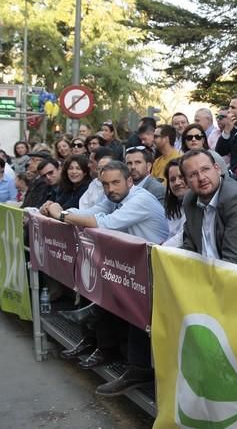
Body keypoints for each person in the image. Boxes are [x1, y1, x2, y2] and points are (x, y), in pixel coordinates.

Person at [43, 160, 168, 396]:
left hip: (159, 271)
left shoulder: (140, 199)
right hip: (137, 268)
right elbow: (91, 213)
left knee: (126, 300)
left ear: (130, 181)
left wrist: (60, 216)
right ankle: (99, 340)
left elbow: (104, 223)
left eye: (116, 183)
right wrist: (59, 209)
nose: (111, 189)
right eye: (106, 184)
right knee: (109, 285)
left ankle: (136, 369)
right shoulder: (114, 198)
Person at [180, 149, 237, 265]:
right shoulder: (190, 200)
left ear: (217, 168)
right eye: (193, 174)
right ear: (185, 182)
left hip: (236, 276)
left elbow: (234, 261)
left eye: (205, 169)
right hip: (203, 273)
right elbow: (189, 247)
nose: (201, 178)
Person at [163, 158, 187, 247]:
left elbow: (182, 237)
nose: (177, 183)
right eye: (172, 180)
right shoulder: (173, 205)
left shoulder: (198, 204)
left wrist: (158, 250)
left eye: (181, 177)